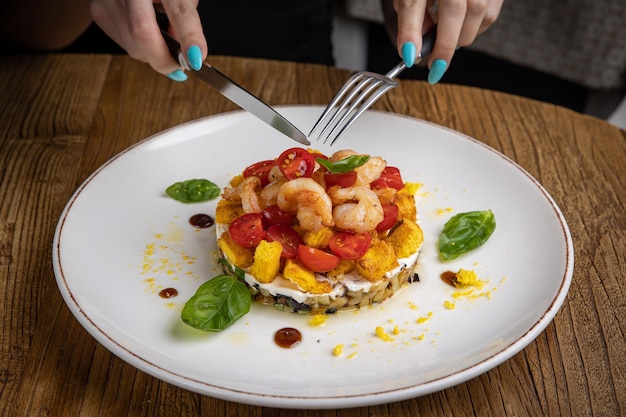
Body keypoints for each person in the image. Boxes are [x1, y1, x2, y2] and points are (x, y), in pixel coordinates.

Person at [88, 0, 502, 84]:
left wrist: (428, 11)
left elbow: (400, 13)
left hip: (303, 73)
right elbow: (36, 31)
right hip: (102, 73)